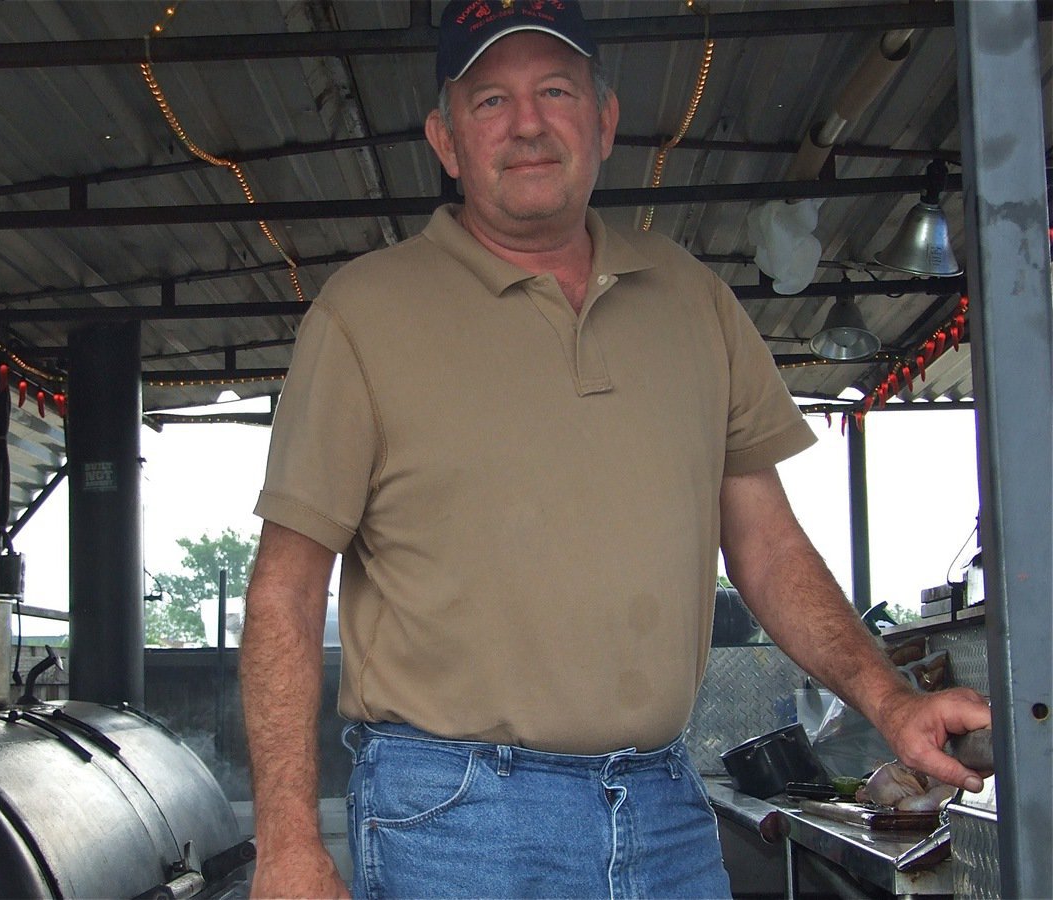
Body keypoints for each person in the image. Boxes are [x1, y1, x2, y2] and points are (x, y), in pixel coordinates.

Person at [239, 1, 992, 897]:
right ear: (445, 140)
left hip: (664, 807)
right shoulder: (362, 314)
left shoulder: (695, 301)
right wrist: (286, 842)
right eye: (490, 101)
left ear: (603, 119)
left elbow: (767, 544)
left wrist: (891, 700)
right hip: (453, 819)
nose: (527, 123)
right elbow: (285, 590)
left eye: (555, 90)